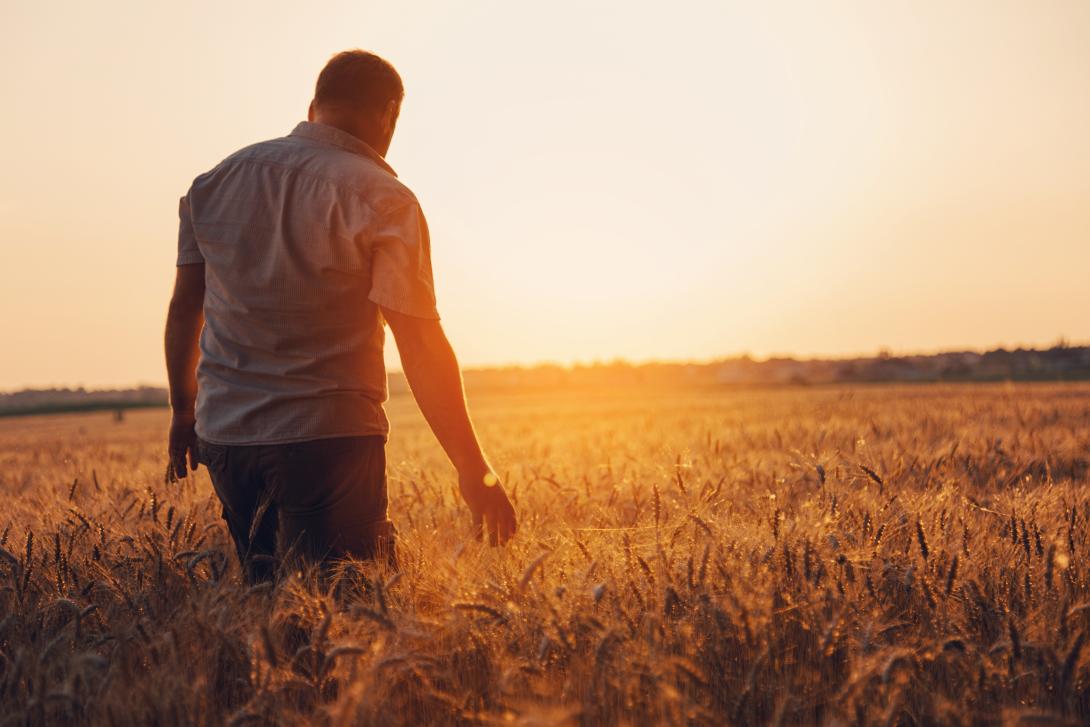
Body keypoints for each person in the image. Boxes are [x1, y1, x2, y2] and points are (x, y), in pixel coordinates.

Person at [163, 50, 516, 582]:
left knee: (268, 608)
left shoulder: (214, 183)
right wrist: (472, 467)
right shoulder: (384, 199)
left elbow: (185, 307)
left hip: (227, 439)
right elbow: (418, 342)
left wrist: (183, 414)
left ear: (313, 107)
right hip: (328, 441)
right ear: (390, 114)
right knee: (350, 614)